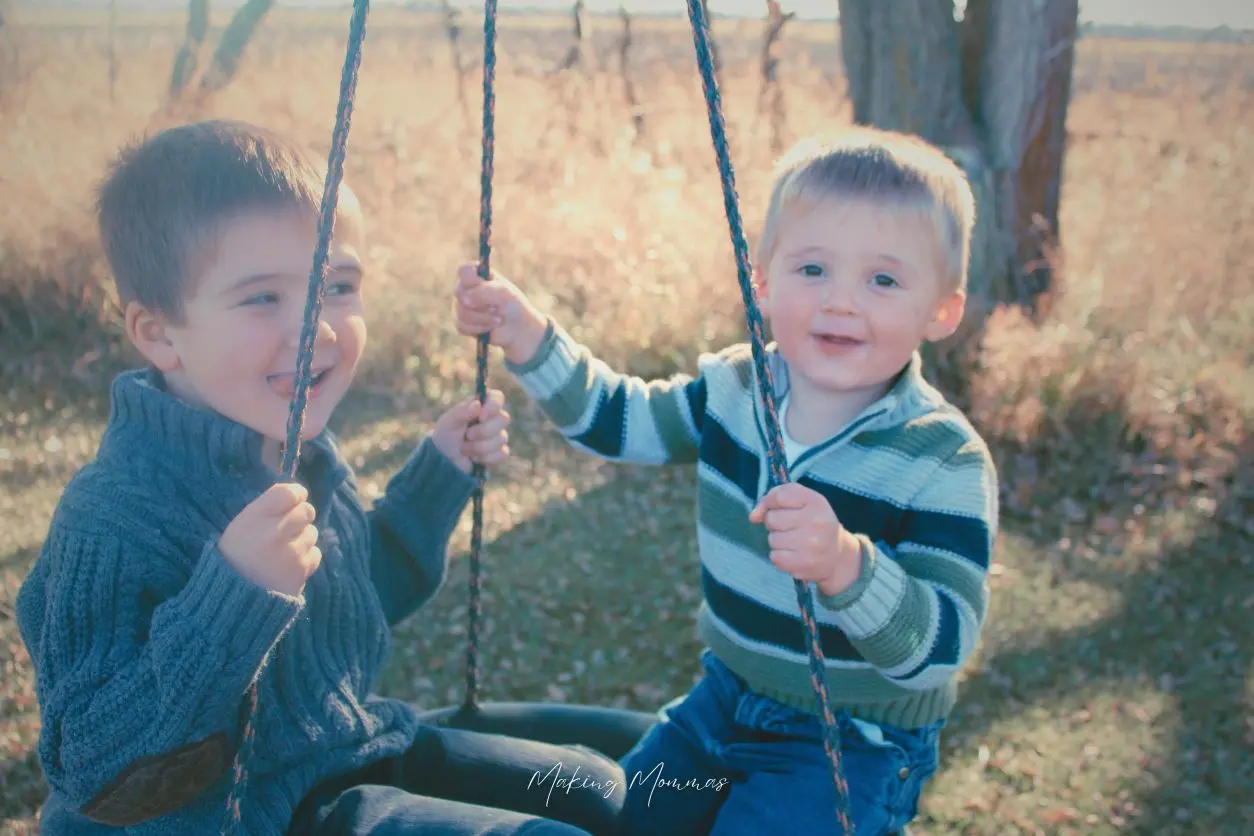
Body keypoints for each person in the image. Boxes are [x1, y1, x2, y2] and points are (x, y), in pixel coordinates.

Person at [17, 120, 624, 836]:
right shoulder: (113, 517)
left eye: (337, 286)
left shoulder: (297, 449)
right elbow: (91, 764)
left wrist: (437, 476)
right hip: (233, 817)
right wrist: (235, 595)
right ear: (158, 334)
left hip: (341, 754)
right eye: (261, 298)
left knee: (600, 789)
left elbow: (351, 607)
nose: (319, 329)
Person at [452, 127, 999, 835]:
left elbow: (941, 648)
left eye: (883, 280)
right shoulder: (736, 390)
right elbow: (621, 420)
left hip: (849, 743)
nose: (840, 302)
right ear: (762, 282)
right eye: (813, 270)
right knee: (631, 823)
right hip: (721, 701)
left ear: (941, 311)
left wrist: (847, 565)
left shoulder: (941, 460)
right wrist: (527, 336)